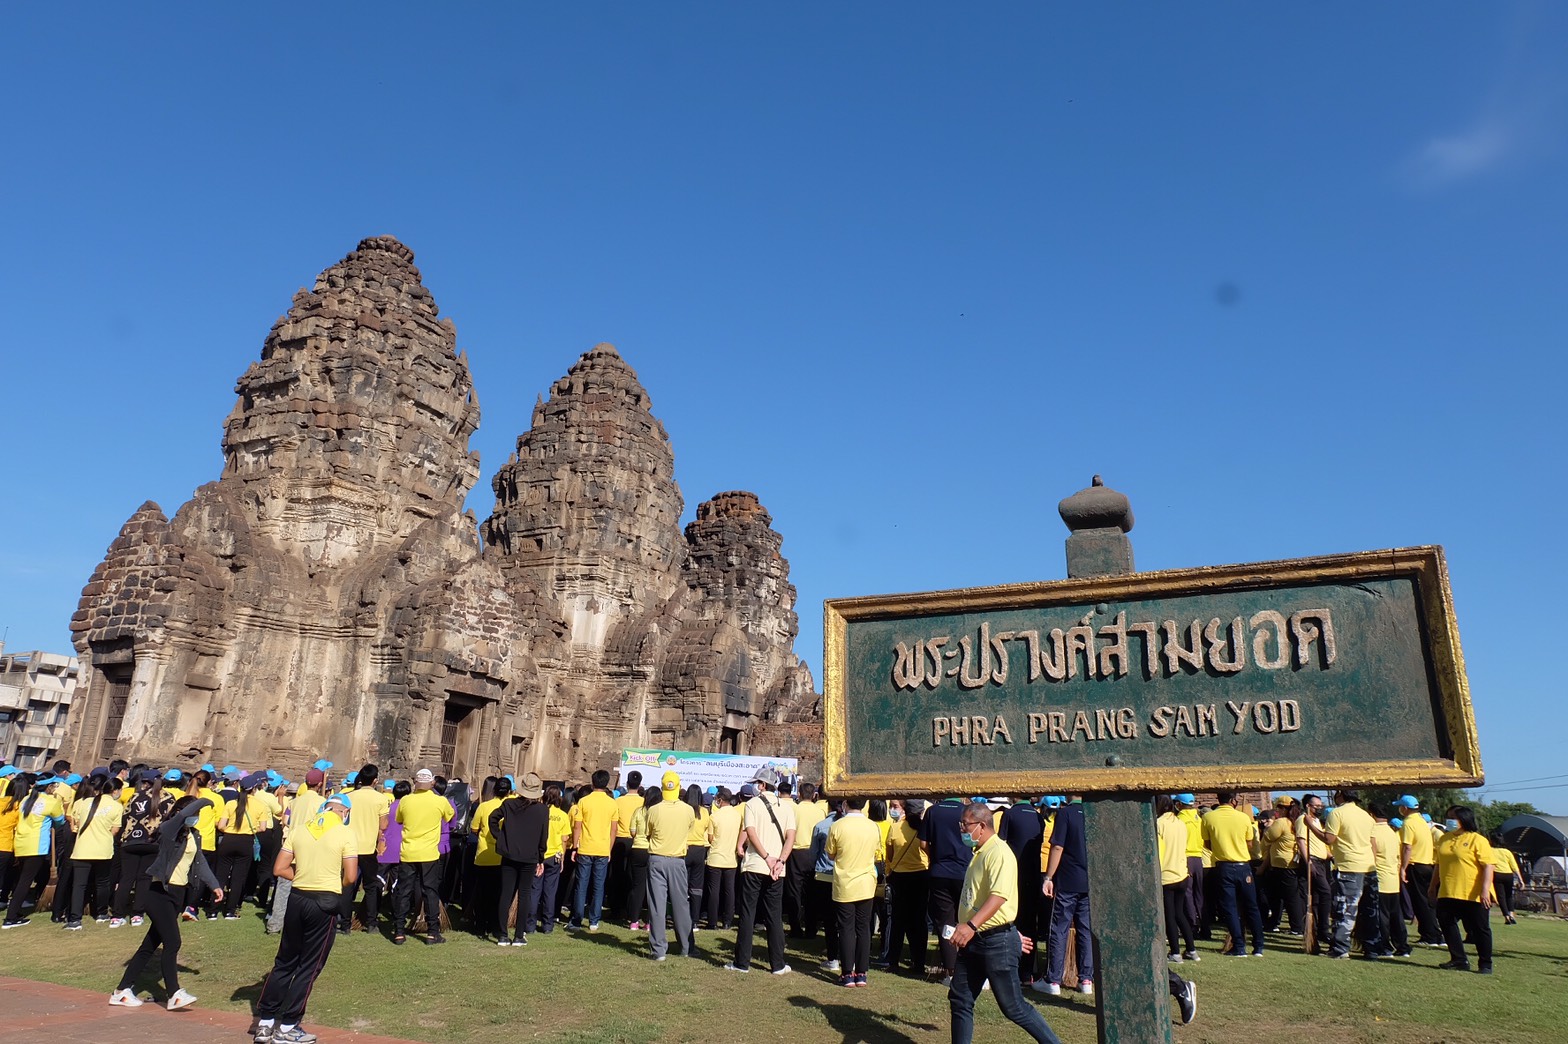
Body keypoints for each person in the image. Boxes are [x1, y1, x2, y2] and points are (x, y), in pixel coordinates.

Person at [949, 802, 1063, 1044]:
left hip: (991, 940)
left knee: (1013, 1006)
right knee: (960, 999)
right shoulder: (980, 852)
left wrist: (974, 927)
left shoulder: (998, 852)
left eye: (965, 825)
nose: (961, 829)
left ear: (981, 826)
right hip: (977, 940)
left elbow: (999, 896)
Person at [252, 792, 358, 1044]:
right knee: (310, 965)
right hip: (325, 900)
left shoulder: (300, 829)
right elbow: (351, 877)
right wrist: (334, 883)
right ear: (344, 812)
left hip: (298, 897)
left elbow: (279, 868)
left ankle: (265, 1023)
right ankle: (288, 1026)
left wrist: (302, 877)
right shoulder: (345, 833)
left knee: (285, 961)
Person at [110, 795, 223, 1010]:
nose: (196, 818)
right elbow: (179, 817)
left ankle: (121, 991)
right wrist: (203, 801)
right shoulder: (169, 831)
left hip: (177, 895)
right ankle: (174, 994)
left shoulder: (193, 836)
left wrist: (214, 885)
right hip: (159, 892)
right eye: (194, 814)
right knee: (173, 943)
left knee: (149, 946)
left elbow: (200, 863)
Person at [727, 766, 796, 974]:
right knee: (773, 916)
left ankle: (742, 963)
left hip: (756, 864)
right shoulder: (786, 807)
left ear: (762, 785)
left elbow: (751, 832)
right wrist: (780, 861)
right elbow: (790, 836)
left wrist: (767, 857)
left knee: (748, 914)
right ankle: (777, 964)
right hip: (776, 868)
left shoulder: (752, 804)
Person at [1309, 788, 1379, 959]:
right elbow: (1373, 843)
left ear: (1341, 794)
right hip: (1369, 867)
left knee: (1345, 909)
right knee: (1369, 911)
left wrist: (1310, 825)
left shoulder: (1337, 813)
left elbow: (1329, 839)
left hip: (1349, 866)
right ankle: (1372, 949)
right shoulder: (1366, 816)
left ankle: (1340, 948)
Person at [1039, 794, 1093, 994]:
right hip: (1088, 880)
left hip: (1068, 880)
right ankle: (1086, 978)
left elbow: (1058, 846)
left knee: (1059, 928)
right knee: (1085, 930)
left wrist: (1048, 877)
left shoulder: (1065, 813)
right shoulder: (1092, 813)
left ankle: (1053, 979)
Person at [393, 769, 454, 945]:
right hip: (429, 853)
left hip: (409, 851)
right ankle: (432, 932)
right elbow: (450, 817)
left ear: (416, 783)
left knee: (404, 891)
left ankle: (398, 931)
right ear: (432, 783)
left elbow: (399, 820)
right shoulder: (439, 801)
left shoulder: (406, 800)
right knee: (430, 891)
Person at [1431, 804, 1494, 973]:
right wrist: (1432, 886)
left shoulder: (1477, 840)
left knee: (1480, 928)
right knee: (1446, 922)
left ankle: (1485, 963)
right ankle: (1458, 959)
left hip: (1472, 891)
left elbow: (1488, 865)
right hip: (1448, 890)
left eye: (1453, 817)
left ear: (1464, 819)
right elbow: (1438, 864)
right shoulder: (1444, 839)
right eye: (1448, 817)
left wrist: (1485, 889)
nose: (1449, 821)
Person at [826, 795, 881, 987]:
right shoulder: (872, 826)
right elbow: (876, 852)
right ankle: (862, 972)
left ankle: (848, 973)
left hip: (845, 883)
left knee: (846, 928)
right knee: (863, 928)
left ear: (845, 804)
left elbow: (831, 854)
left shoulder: (838, 826)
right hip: (866, 882)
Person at [1203, 790, 1264, 958]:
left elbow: (1208, 844)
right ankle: (1258, 946)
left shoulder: (1208, 818)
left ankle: (1239, 946)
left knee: (1230, 908)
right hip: (1243, 866)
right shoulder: (1243, 817)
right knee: (1251, 906)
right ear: (1233, 800)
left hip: (1223, 866)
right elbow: (1250, 843)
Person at [490, 772, 549, 946]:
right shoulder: (542, 810)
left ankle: (502, 934)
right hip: (529, 856)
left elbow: (492, 819)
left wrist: (500, 838)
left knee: (506, 894)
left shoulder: (509, 804)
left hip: (510, 854)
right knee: (524, 895)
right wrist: (541, 856)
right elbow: (543, 836)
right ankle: (518, 935)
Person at [645, 770, 697, 960]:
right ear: (678, 787)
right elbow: (688, 828)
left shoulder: (654, 809)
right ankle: (686, 947)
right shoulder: (688, 810)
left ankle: (658, 950)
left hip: (657, 858)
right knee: (681, 904)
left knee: (657, 906)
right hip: (677, 860)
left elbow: (648, 832)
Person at [4, 774, 66, 928]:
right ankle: (10, 917)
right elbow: (60, 821)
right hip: (37, 845)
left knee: (21, 879)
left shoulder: (25, 800)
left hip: (21, 843)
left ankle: (14, 911)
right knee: (26, 881)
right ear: (49, 787)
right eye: (54, 785)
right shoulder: (51, 802)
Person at [922, 796, 972, 983]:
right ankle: (970, 967)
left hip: (940, 872)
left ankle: (951, 971)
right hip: (964, 872)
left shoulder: (933, 811)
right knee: (968, 920)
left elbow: (923, 843)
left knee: (946, 921)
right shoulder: (967, 810)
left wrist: (935, 858)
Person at [997, 796, 1044, 985]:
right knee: (1030, 923)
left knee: (1010, 921)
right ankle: (1027, 973)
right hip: (1034, 875)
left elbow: (1001, 843)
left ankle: (1008, 968)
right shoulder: (1038, 816)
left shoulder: (1009, 814)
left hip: (1013, 874)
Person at [340, 764, 390, 936]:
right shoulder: (381, 799)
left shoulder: (348, 797)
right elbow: (383, 825)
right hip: (369, 848)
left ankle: (345, 924)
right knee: (370, 886)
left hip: (349, 846)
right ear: (375, 780)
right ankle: (371, 923)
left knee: (347, 884)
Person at [882, 797, 930, 976]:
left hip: (899, 876)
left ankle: (893, 961)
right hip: (921, 875)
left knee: (898, 920)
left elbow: (890, 854)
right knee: (919, 921)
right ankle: (919, 963)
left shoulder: (895, 828)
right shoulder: (926, 827)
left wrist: (889, 870)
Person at [569, 769, 620, 931]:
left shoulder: (584, 801)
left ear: (592, 783)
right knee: (599, 885)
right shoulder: (612, 803)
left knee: (581, 884)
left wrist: (575, 846)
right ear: (606, 784)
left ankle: (577, 920)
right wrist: (609, 849)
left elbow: (577, 827)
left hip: (585, 847)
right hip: (602, 848)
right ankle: (594, 920)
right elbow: (614, 830)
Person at [1396, 795, 1444, 947]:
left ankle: (1430, 935)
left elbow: (1407, 846)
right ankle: (1432, 933)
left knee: (1420, 902)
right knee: (1426, 901)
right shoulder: (1423, 822)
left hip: (1415, 864)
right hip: (1427, 864)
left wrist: (1403, 868)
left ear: (1404, 808)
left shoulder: (1408, 823)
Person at [1156, 796, 1196, 962]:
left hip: (1167, 875)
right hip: (1182, 873)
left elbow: (1159, 851)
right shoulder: (1180, 823)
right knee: (1180, 913)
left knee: (1170, 915)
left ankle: (1175, 952)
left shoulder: (1159, 824)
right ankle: (1192, 949)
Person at [470, 774, 509, 940]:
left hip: (484, 855)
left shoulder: (484, 806)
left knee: (482, 893)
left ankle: (480, 926)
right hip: (502, 857)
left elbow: (473, 829)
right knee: (499, 895)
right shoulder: (510, 807)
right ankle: (496, 926)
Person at [1370, 803, 1410, 957]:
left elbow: (1372, 856)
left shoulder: (1373, 832)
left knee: (1382, 917)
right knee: (1396, 917)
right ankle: (1402, 946)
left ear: (1372, 815)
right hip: (1393, 879)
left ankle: (1385, 947)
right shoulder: (1392, 832)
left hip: (1380, 878)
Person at [1262, 797, 1305, 936]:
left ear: (1283, 809)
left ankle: (1297, 927)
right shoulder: (1297, 821)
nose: (1276, 811)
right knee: (1282, 896)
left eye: (1278, 808)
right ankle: (1276, 922)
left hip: (1283, 864)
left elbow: (1268, 837)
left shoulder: (1281, 822)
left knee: (1289, 897)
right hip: (1290, 863)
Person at [789, 782, 826, 936]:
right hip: (813, 853)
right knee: (812, 892)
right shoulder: (820, 811)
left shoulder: (794, 810)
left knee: (795, 892)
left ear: (800, 793)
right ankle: (811, 928)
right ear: (814, 795)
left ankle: (796, 927)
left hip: (797, 852)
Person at [1297, 793, 1333, 949]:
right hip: (1313, 861)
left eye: (1320, 806)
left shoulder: (1317, 821)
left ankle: (1318, 929)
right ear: (1308, 806)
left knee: (1319, 897)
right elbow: (1301, 841)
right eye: (1316, 806)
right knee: (1326, 892)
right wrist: (1308, 861)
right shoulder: (1302, 820)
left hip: (1323, 861)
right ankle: (1324, 929)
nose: (1319, 808)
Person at [703, 787, 742, 929]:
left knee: (713, 891)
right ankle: (727, 921)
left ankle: (712, 921)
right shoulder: (738, 815)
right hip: (731, 858)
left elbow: (710, 837)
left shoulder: (714, 816)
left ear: (719, 800)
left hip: (715, 857)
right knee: (729, 890)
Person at [535, 785, 571, 934]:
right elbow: (564, 839)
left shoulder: (539, 811)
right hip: (555, 856)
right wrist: (562, 856)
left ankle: (530, 923)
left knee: (535, 889)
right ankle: (547, 924)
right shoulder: (562, 815)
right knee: (550, 891)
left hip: (539, 855)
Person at [612, 771, 644, 921]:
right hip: (636, 841)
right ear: (640, 785)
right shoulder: (643, 802)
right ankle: (630, 908)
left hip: (620, 840)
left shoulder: (618, 801)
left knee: (617, 875)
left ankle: (616, 909)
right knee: (633, 878)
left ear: (627, 783)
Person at [681, 784, 710, 929]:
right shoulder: (705, 812)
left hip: (685, 849)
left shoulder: (683, 809)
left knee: (682, 886)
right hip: (700, 850)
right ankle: (695, 920)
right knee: (697, 887)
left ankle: (680, 918)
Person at [1488, 834, 1523, 926]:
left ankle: (1506, 916)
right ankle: (1511, 914)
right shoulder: (1507, 852)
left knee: (1501, 896)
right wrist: (1520, 880)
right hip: (1508, 874)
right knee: (1509, 895)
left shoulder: (1490, 851)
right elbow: (1514, 866)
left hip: (1497, 874)